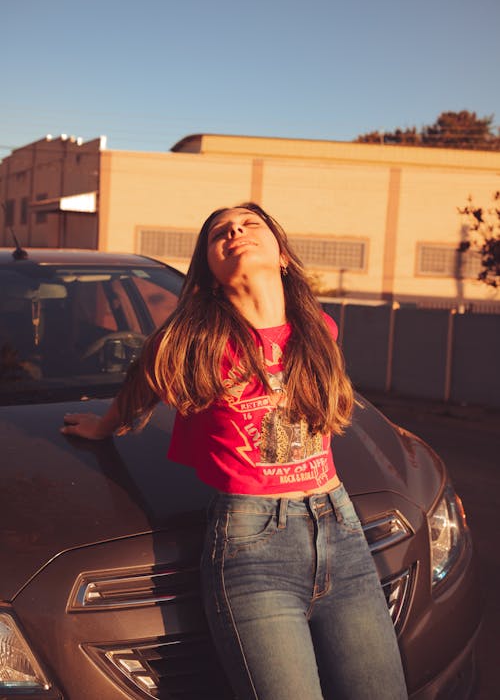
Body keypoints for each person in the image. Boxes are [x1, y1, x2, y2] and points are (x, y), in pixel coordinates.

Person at [61, 203, 408, 700]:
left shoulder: (319, 331)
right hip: (252, 546)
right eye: (220, 233)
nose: (236, 232)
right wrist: (105, 426)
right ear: (210, 269)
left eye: (250, 225)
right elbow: (144, 375)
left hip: (343, 530)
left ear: (282, 254)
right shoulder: (195, 339)